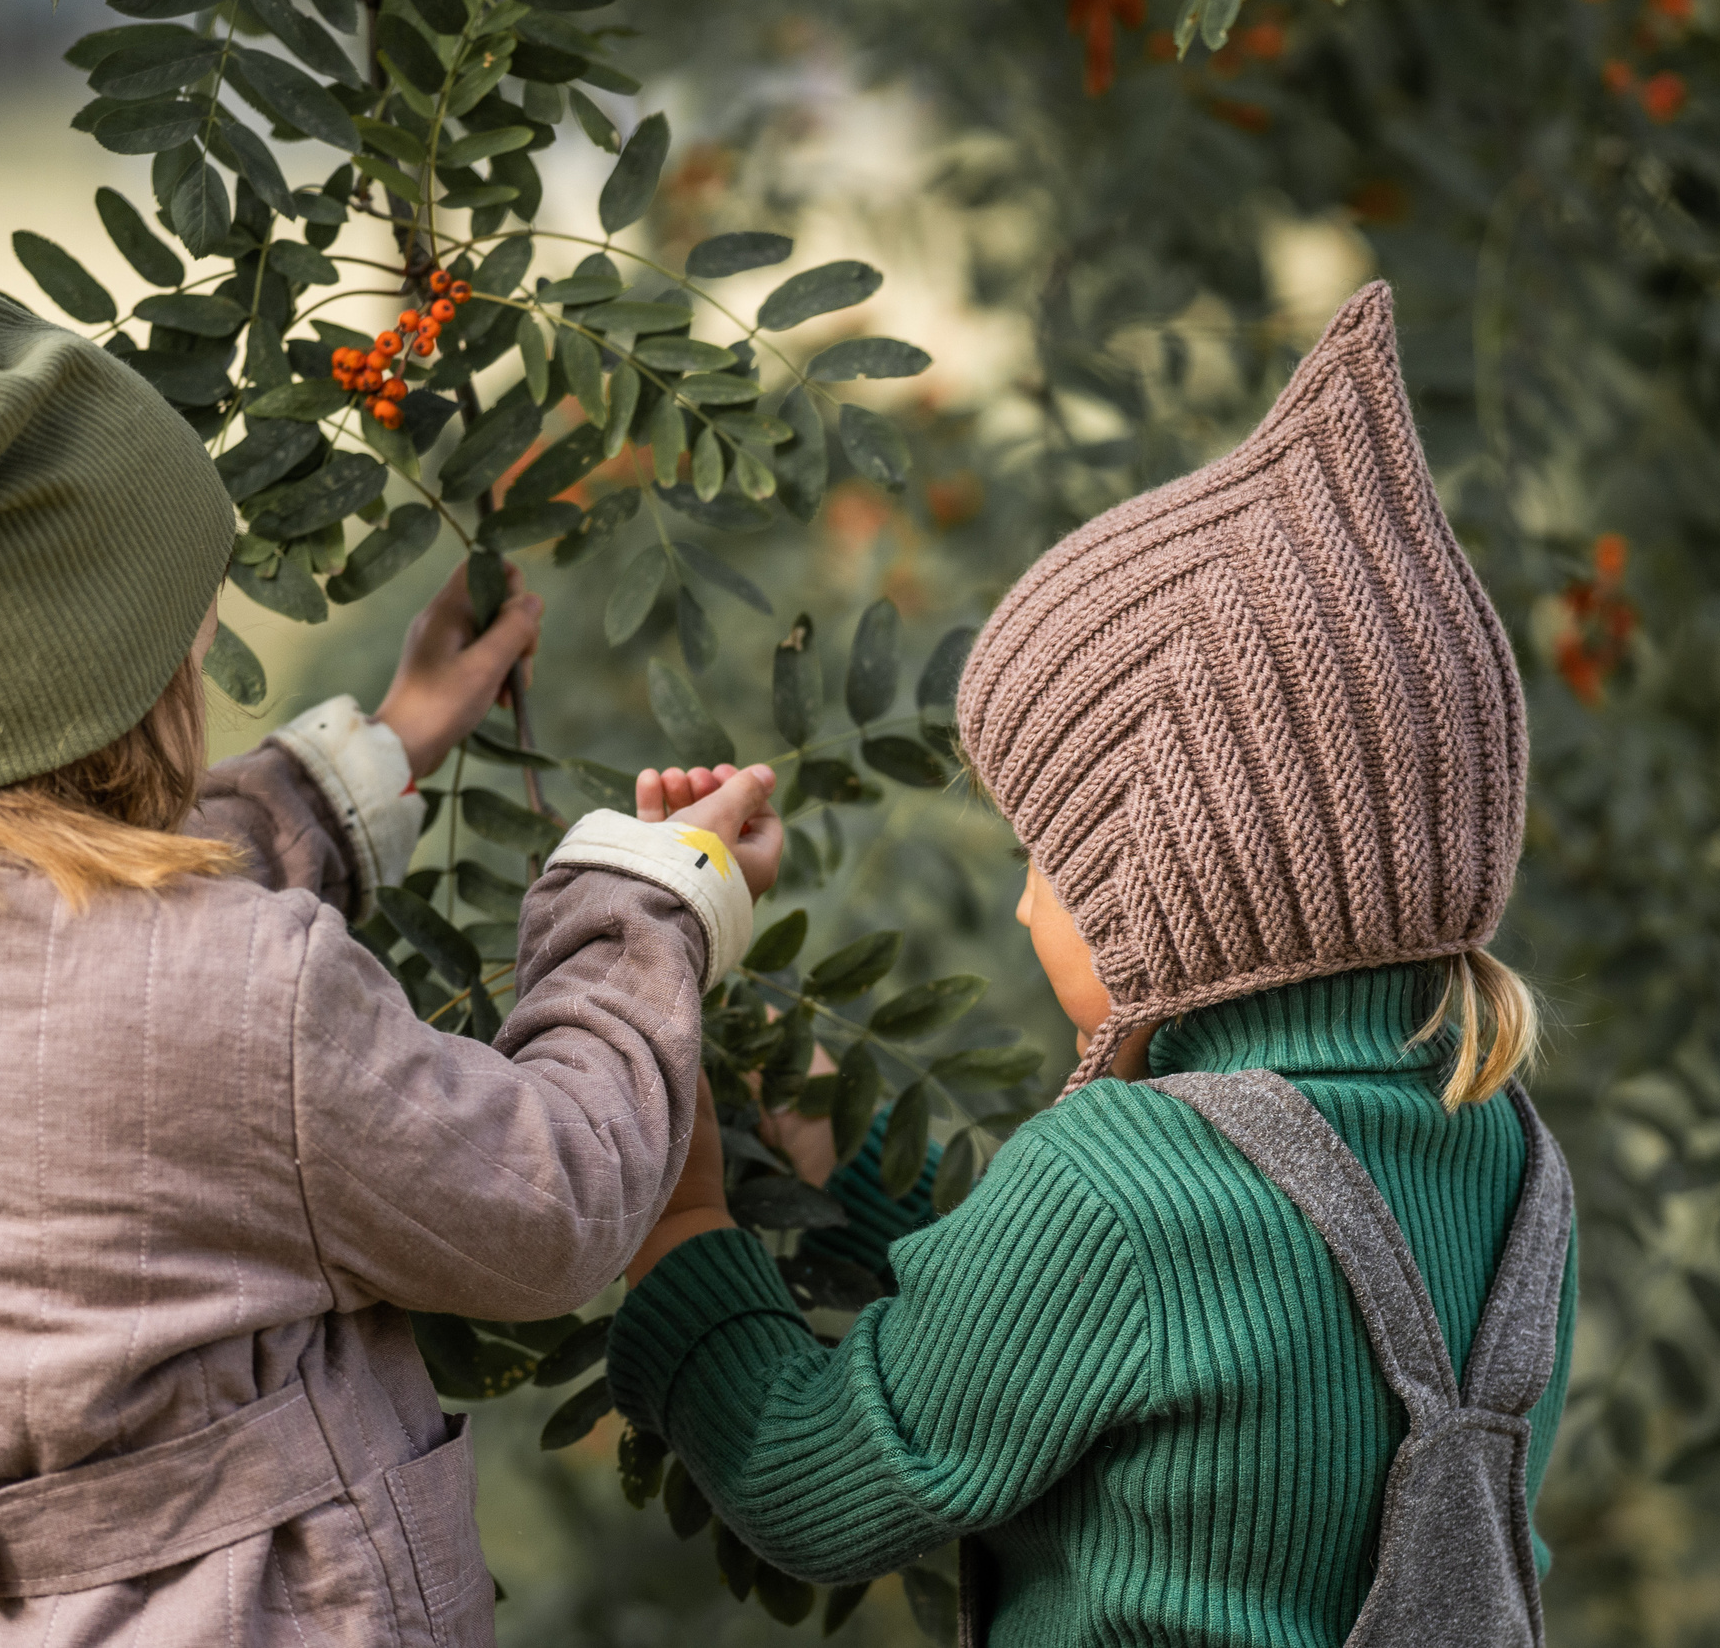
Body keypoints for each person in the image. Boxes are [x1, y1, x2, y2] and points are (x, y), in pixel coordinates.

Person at [0, 279, 782, 1646]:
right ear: (117, 674)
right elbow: (551, 1205)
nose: (212, 638)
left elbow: (70, 959)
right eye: (189, 617)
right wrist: (648, 902)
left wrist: (372, 757)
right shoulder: (250, 997)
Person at [607, 283, 1579, 1648]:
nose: (1019, 909)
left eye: (1046, 859)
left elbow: (811, 1482)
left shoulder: (1120, 1189)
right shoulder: (1512, 1163)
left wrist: (681, 1224)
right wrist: (826, 1121)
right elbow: (1087, 1348)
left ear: (1190, 891)